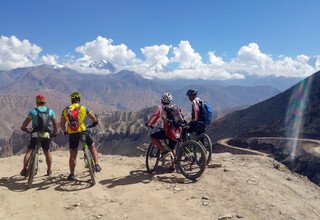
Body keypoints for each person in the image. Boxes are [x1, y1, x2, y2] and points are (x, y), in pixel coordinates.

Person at [60, 91, 100, 181]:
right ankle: (97, 164)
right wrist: (95, 123)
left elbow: (62, 124)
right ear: (79, 100)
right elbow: (93, 118)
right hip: (83, 131)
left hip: (72, 134)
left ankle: (72, 174)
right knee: (92, 146)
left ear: (71, 100)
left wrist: (65, 131)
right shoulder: (83, 108)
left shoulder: (65, 110)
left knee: (73, 155)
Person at [20, 94, 58, 176]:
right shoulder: (50, 111)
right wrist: (55, 132)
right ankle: (49, 170)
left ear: (37, 102)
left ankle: (25, 169)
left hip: (35, 134)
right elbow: (55, 123)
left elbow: (26, 122)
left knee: (29, 151)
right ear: (44, 102)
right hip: (46, 134)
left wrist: (23, 128)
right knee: (47, 152)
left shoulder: (33, 111)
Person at [146, 93, 183, 172]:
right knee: (172, 147)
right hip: (177, 131)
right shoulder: (175, 107)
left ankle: (163, 151)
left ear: (162, 100)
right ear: (170, 101)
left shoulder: (161, 108)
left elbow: (155, 116)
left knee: (153, 136)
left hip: (169, 131)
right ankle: (173, 167)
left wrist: (149, 124)